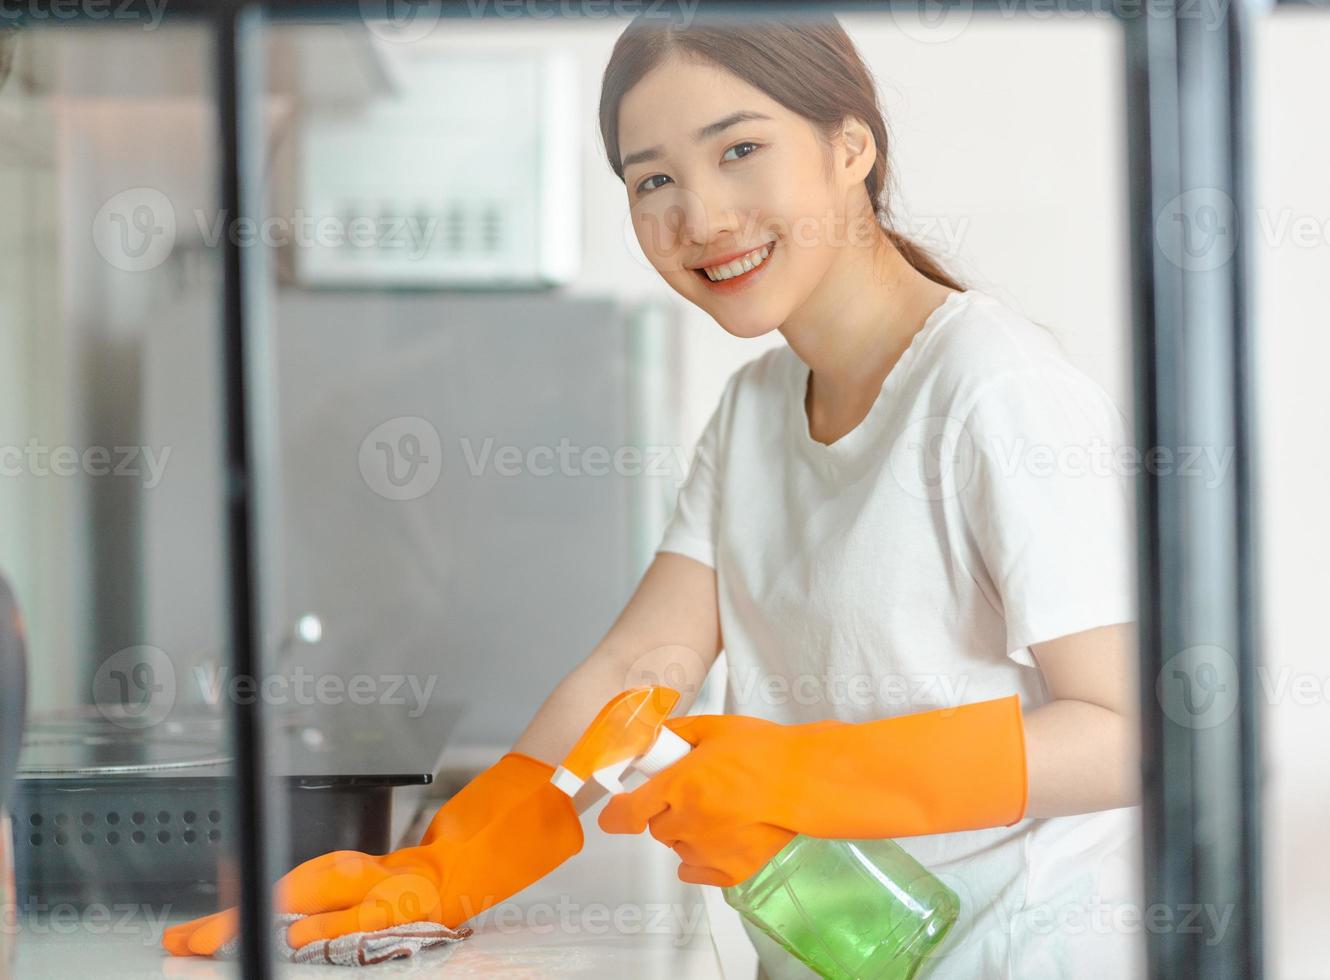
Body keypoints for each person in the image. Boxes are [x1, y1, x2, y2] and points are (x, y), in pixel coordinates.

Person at [166, 11, 1143, 977]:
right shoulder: (757, 408)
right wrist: (457, 857)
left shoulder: (991, 387)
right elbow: (638, 666)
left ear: (852, 144)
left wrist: (808, 774)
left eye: (740, 149)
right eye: (655, 179)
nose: (703, 217)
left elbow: (1128, 733)